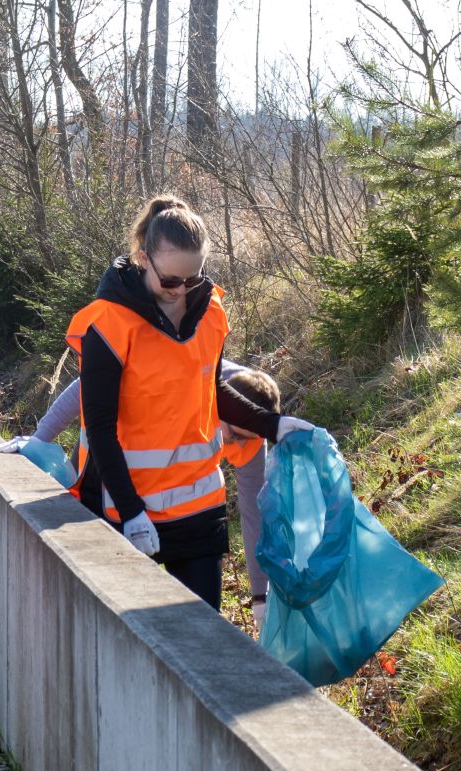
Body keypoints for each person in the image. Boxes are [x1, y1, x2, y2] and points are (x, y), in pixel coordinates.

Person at [57, 194, 312, 611]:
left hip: (198, 508)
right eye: (170, 281)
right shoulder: (108, 323)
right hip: (126, 509)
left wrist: (273, 425)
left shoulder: (210, 314)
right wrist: (132, 511)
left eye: (192, 280)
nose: (180, 291)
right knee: (131, 635)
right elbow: (99, 427)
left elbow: (211, 392)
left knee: (203, 635)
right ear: (144, 259)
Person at [0, 361, 284, 612]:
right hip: (107, 468)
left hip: (181, 506)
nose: (243, 444)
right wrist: (39, 440)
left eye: (252, 436)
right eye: (236, 435)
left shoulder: (249, 429)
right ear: (221, 403)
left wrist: (260, 596)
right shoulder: (178, 377)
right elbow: (89, 383)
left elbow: (253, 513)